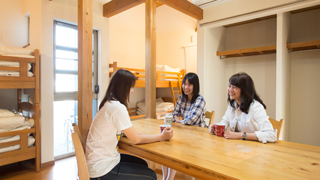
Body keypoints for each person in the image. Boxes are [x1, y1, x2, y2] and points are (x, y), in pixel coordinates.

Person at [86, 69, 173, 180]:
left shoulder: (109, 103)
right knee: (151, 176)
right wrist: (162, 136)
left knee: (142, 163)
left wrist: (136, 134)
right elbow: (136, 139)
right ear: (123, 87)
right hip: (102, 169)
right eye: (131, 87)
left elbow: (126, 132)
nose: (132, 91)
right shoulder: (117, 107)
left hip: (99, 162)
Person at [209, 72, 277, 143]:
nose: (230, 90)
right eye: (229, 86)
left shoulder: (256, 107)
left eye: (234, 87)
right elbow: (225, 121)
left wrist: (241, 135)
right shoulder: (232, 104)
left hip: (254, 149)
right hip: (236, 147)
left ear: (244, 89)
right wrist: (215, 127)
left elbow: (271, 135)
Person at [162, 72, 206, 180]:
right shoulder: (182, 98)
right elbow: (174, 114)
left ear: (195, 86)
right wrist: (178, 119)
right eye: (184, 84)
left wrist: (179, 120)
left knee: (174, 148)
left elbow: (192, 119)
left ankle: (169, 178)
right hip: (185, 133)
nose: (186, 87)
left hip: (199, 136)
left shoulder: (200, 100)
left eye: (189, 85)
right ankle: (165, 178)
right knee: (166, 146)